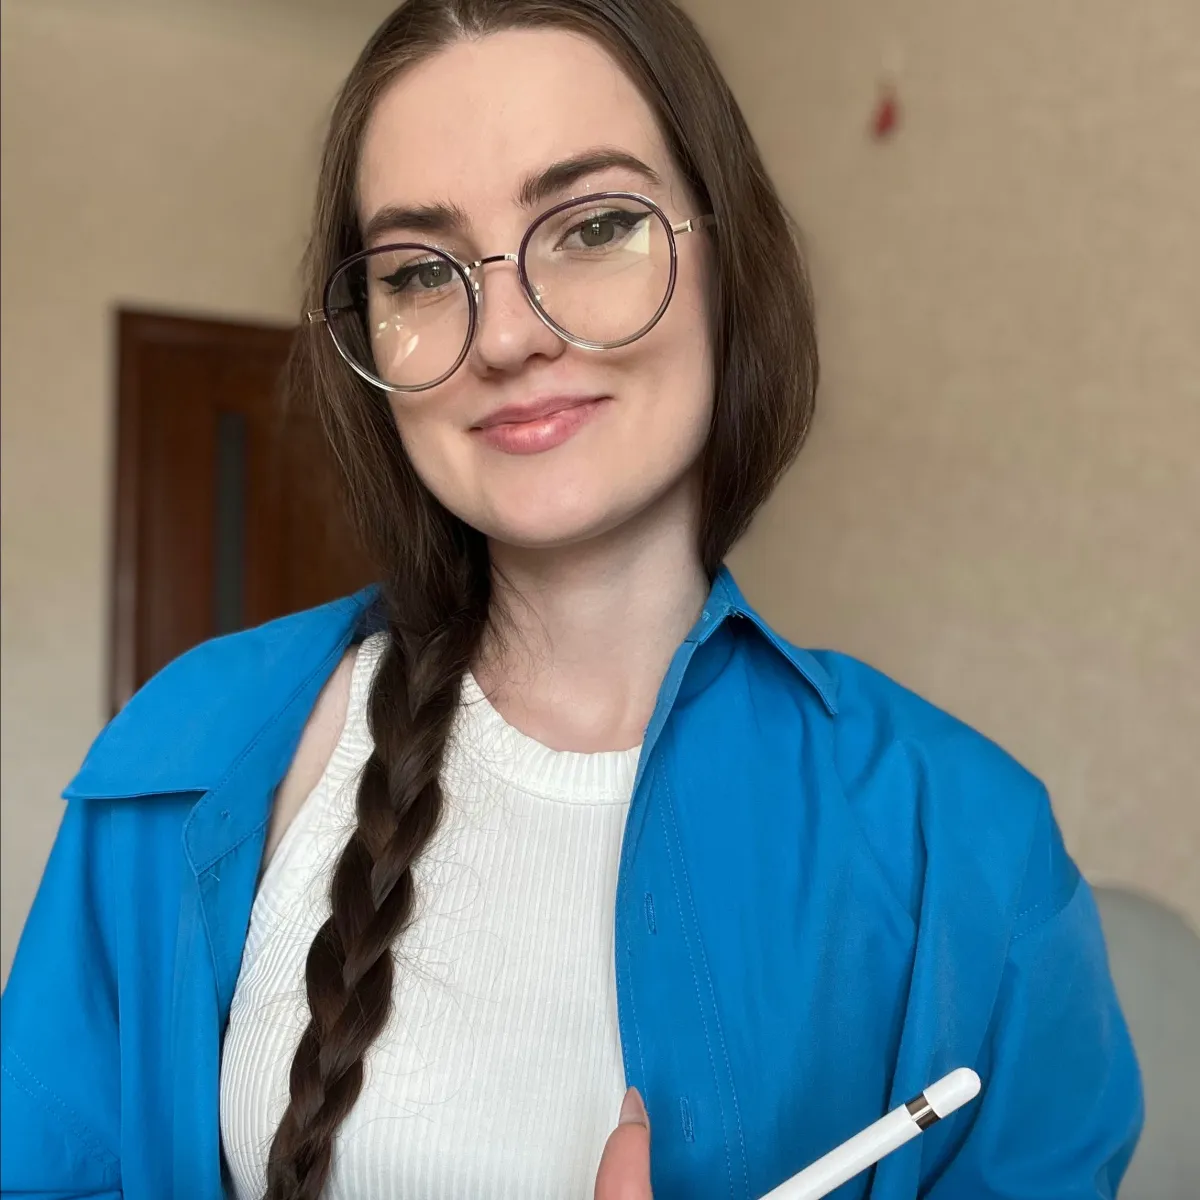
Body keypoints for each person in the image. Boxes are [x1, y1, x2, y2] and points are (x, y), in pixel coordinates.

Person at [0, 1, 1142, 1198]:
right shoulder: (187, 750)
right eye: (418, 272)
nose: (502, 336)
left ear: (730, 261)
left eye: (594, 226)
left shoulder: (971, 848)